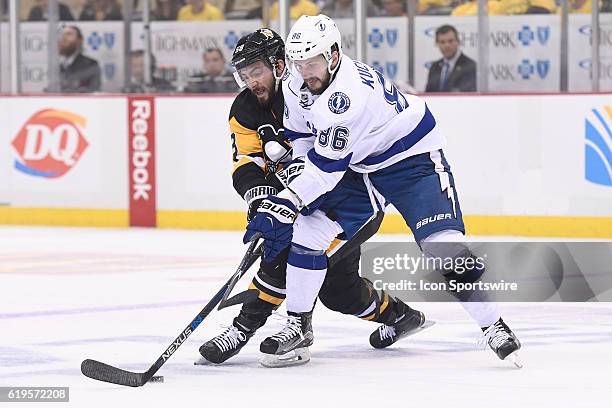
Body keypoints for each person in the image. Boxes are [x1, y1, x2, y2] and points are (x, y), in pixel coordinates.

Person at [245, 14, 522, 366]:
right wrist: (296, 172)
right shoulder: (296, 83)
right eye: (298, 63)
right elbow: (302, 137)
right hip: (360, 164)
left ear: (333, 55)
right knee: (308, 230)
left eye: (312, 62)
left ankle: (493, 325)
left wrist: (286, 200)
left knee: (443, 247)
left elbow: (327, 171)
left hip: (410, 159)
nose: (304, 71)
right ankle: (299, 325)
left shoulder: (346, 99)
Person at [197, 28, 426, 367]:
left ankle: (245, 328)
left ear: (278, 65)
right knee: (339, 291)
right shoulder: (244, 109)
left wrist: (289, 202)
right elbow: (247, 161)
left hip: (349, 204)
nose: (251, 82)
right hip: (301, 205)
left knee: (285, 255)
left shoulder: (311, 95)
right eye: (244, 75)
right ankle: (401, 317)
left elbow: (332, 159)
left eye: (256, 71)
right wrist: (261, 198)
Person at [425, 24, 476, 93]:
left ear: (458, 41)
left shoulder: (470, 66)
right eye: (442, 42)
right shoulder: (434, 67)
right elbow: (429, 93)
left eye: (450, 41)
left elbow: (464, 92)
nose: (447, 45)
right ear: (437, 44)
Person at [57, 25, 101, 93]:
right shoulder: (57, 67)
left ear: (79, 40)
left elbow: (94, 90)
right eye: (63, 35)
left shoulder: (90, 65)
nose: (64, 38)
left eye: (69, 34)